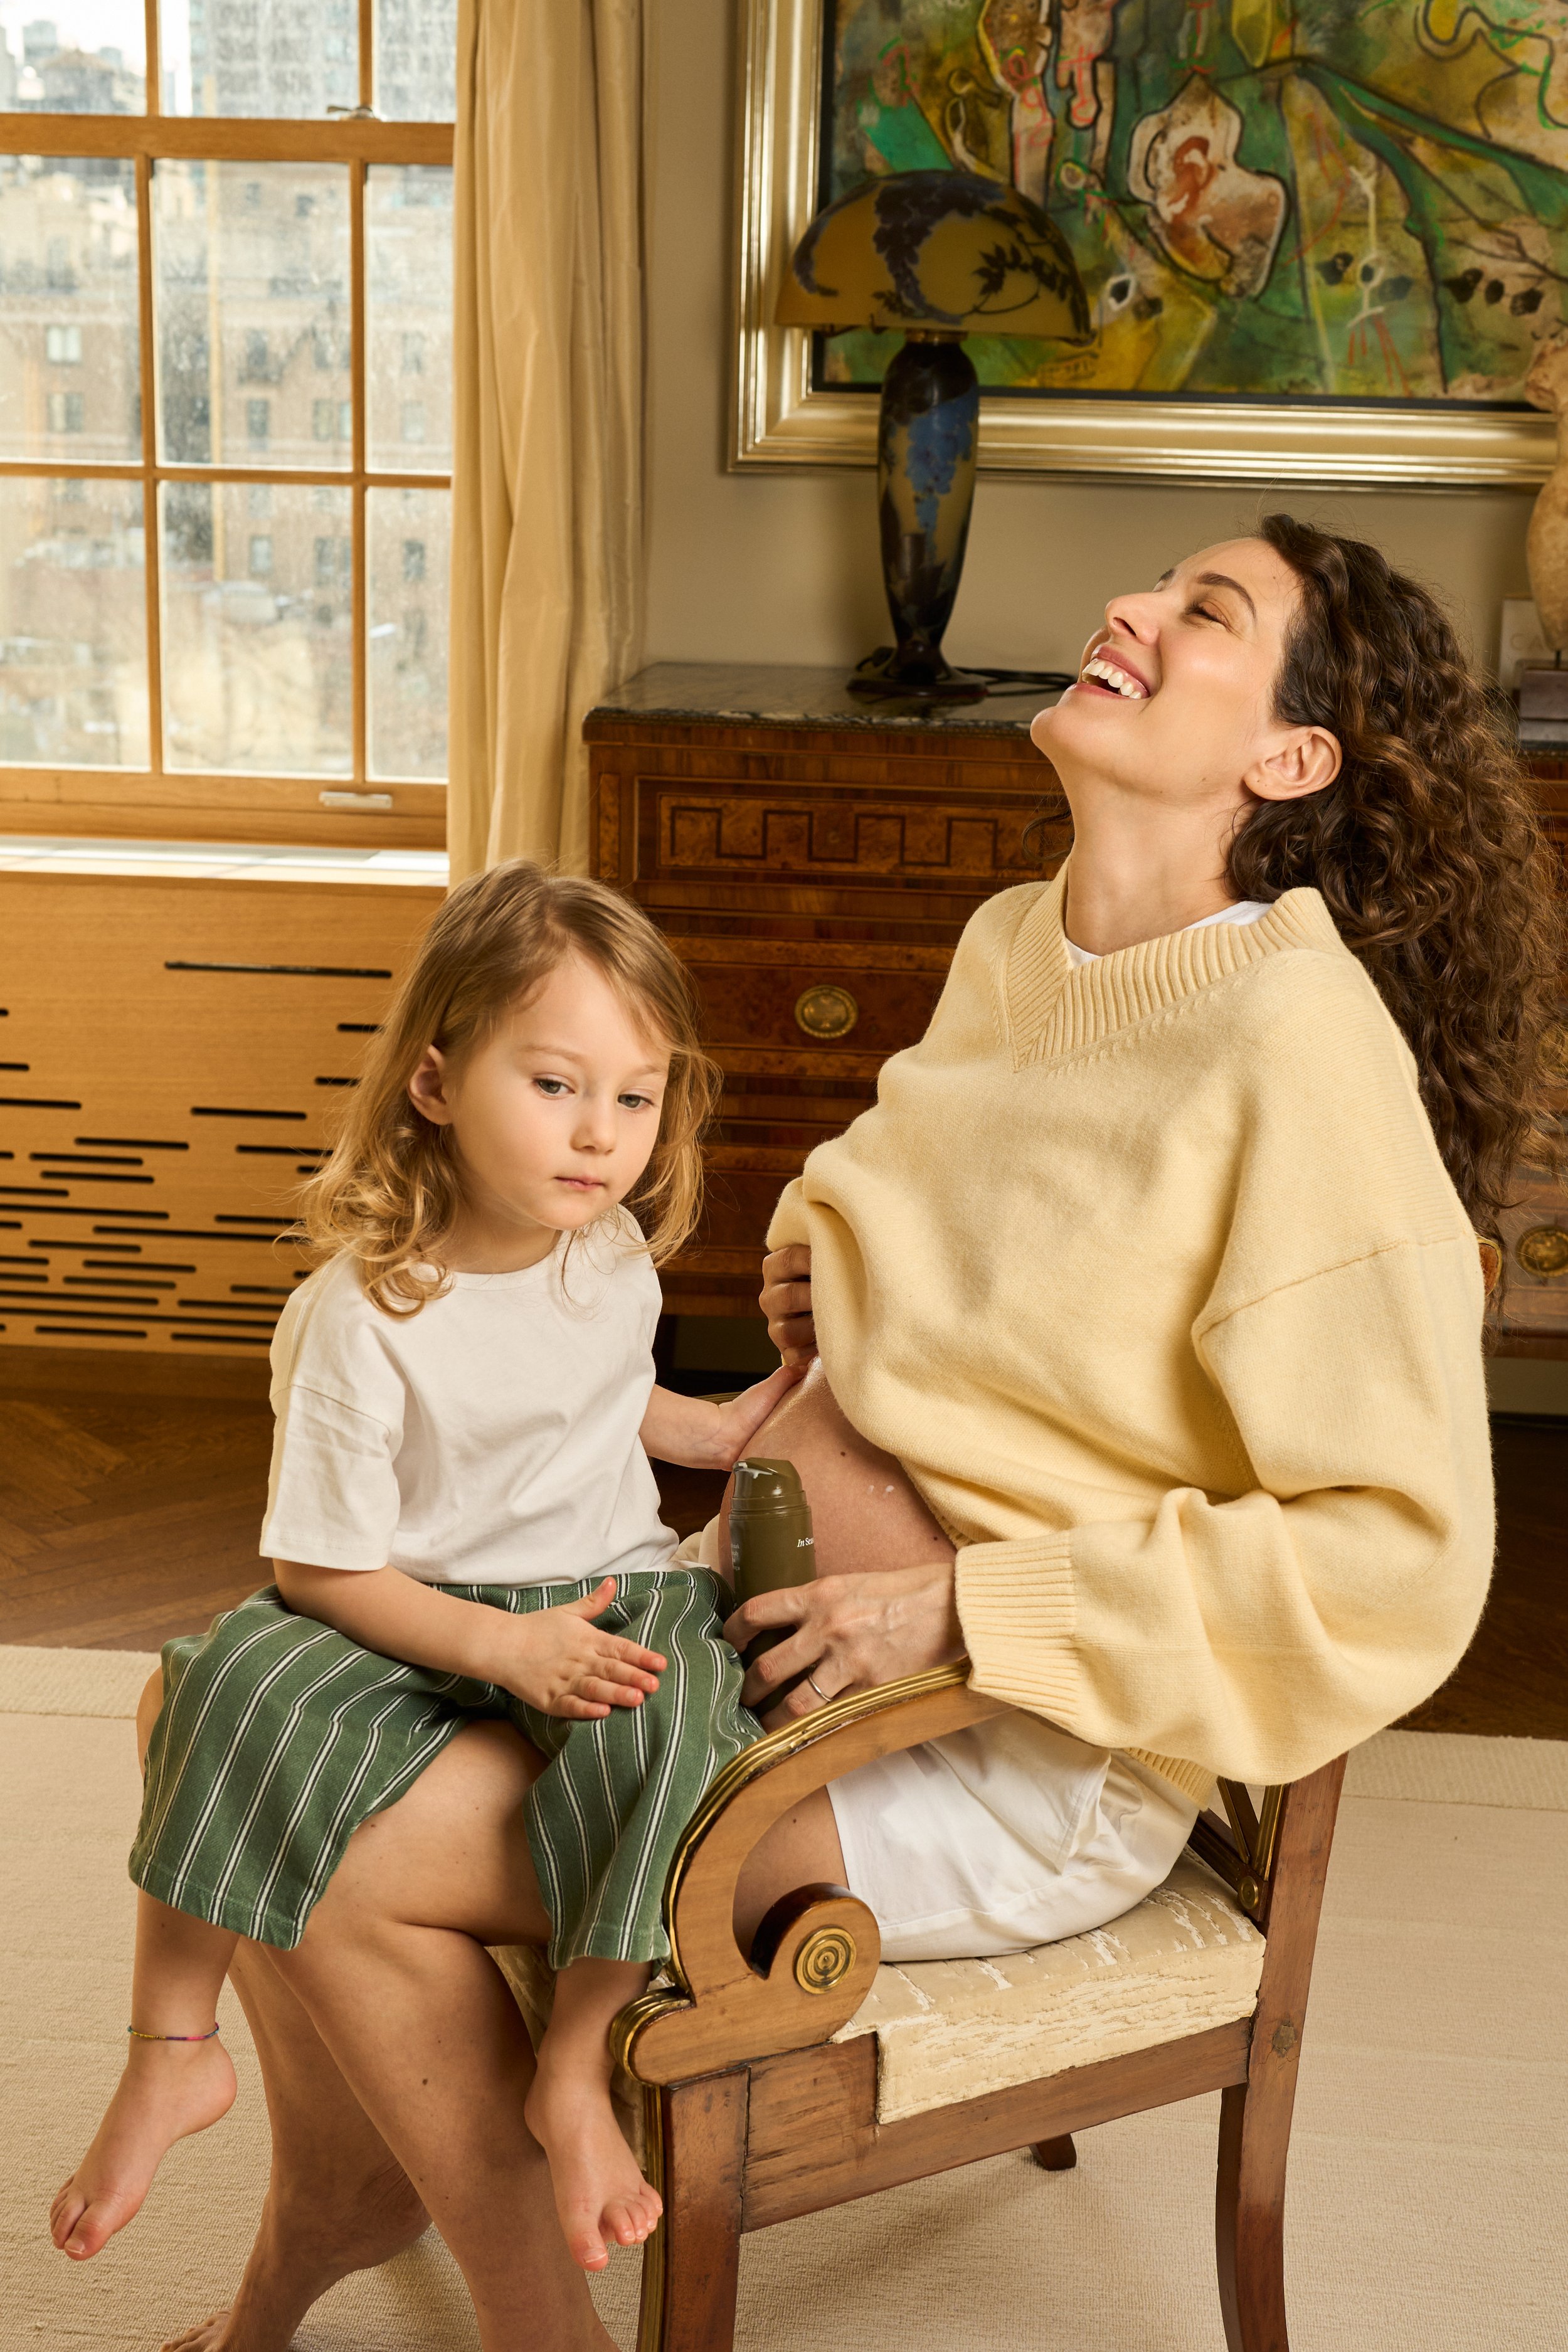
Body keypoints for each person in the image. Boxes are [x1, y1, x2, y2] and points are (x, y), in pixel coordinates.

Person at [127, 516, 1563, 2352]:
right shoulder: (1018, 939)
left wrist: (965, 1606)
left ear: (1285, 761)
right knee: (206, 1702)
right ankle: (353, 2175)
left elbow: (1394, 1549)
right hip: (751, 1620)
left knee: (307, 1822)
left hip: (1008, 1746)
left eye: (1205, 610)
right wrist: (825, 1245)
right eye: (1153, 579)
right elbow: (910, 1181)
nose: (1126, 602)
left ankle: (506, 2303)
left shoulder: (1296, 1044)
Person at [50, 864, 800, 2284]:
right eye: (556, 1084)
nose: (599, 1136)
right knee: (220, 1683)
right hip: (405, 1612)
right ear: (438, 1084)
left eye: (633, 1098)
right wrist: (495, 1651)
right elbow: (323, 1570)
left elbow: (591, 1394)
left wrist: (707, 1426)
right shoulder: (364, 1313)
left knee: (684, 1733)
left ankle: (573, 2065)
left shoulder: (610, 1256)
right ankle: (169, 2050)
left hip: (606, 1588)